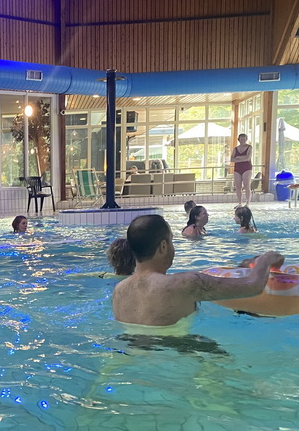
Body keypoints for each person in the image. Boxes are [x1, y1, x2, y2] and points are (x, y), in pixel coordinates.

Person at [111, 214, 283, 332]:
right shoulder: (186, 284)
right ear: (163, 247)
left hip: (129, 352)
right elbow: (253, 286)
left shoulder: (119, 290)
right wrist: (265, 259)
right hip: (178, 354)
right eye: (171, 241)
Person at [230, 134, 253, 205]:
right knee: (238, 186)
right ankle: (240, 202)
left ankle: (247, 203)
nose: (243, 141)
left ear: (246, 140)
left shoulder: (249, 147)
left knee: (246, 185)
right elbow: (231, 159)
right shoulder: (235, 149)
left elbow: (248, 158)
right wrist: (243, 158)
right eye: (241, 139)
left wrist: (238, 158)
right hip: (237, 169)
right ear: (238, 140)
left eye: (244, 139)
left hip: (247, 168)